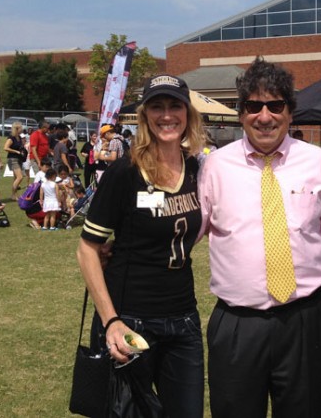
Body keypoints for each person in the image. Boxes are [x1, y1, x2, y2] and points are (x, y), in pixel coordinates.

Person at [198, 56, 321, 418]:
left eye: (275, 105)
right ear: (241, 114)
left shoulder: (318, 163)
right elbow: (192, 229)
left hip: (305, 319)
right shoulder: (215, 165)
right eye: (253, 106)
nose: (264, 116)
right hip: (237, 323)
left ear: (290, 112)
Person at [76, 74, 206, 417]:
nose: (167, 115)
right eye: (157, 106)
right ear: (145, 115)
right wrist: (111, 322)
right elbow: (88, 249)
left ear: (188, 113)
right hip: (130, 319)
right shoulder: (124, 172)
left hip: (184, 322)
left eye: (175, 105)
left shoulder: (195, 169)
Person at [3, 121, 26, 200]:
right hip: (12, 159)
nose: (22, 129)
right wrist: (16, 151)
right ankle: (13, 194)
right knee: (20, 177)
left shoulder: (19, 137)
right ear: (16, 128)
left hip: (19, 158)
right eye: (20, 128)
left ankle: (14, 195)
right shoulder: (11, 138)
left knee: (16, 177)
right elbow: (5, 148)